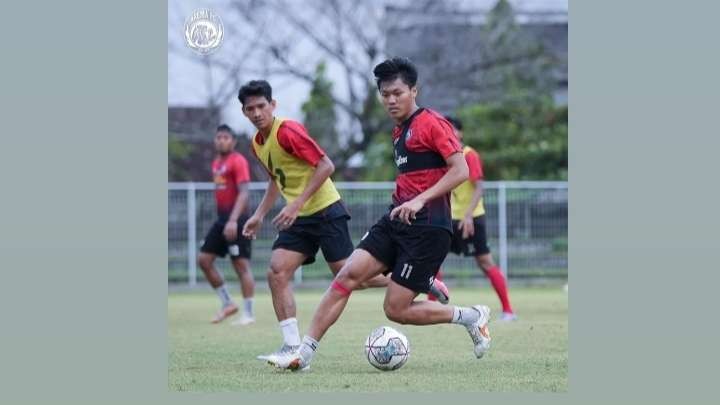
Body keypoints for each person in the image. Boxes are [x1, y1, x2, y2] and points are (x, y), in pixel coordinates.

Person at [267, 58, 492, 371]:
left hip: (429, 229)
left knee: (396, 310)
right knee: (346, 276)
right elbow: (415, 176)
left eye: (397, 92)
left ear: (414, 90)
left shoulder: (432, 123)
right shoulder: (399, 131)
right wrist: (404, 199)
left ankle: (470, 316)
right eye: (385, 94)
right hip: (396, 220)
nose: (390, 100)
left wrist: (419, 200)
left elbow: (461, 170)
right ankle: (302, 355)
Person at [237, 80, 390, 362]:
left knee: (351, 277)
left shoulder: (288, 131)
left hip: (325, 211)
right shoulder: (257, 145)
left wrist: (295, 204)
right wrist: (258, 215)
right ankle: (291, 346)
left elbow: (326, 165)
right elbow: (275, 180)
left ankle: (407, 279)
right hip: (300, 218)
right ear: (244, 112)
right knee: (276, 272)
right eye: (250, 109)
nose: (257, 112)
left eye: (261, 106)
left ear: (272, 105)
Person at [436, 116, 517, 321]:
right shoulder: (441, 157)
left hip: (470, 219)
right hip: (448, 219)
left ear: (460, 133)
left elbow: (479, 186)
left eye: (452, 130)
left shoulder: (469, 154)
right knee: (432, 260)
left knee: (485, 262)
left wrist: (469, 215)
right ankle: (432, 308)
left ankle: (508, 310)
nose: (448, 133)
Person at [197, 124, 256, 325]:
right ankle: (227, 303)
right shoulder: (216, 163)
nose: (221, 140)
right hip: (221, 220)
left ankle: (248, 314)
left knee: (241, 265)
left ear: (233, 141)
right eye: (218, 137)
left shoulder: (237, 161)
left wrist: (233, 220)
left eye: (225, 137)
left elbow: (245, 192)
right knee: (204, 259)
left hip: (237, 220)